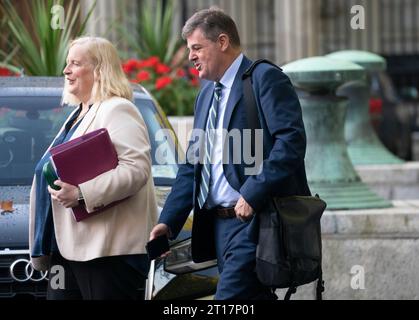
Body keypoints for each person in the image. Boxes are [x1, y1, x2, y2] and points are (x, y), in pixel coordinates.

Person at [149, 8, 310, 300]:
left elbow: (291, 141)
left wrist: (253, 191)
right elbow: (193, 165)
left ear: (222, 42)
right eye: (189, 49)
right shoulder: (206, 94)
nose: (190, 57)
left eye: (197, 47)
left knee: (229, 299)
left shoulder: (265, 78)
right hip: (218, 227)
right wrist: (168, 220)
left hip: (254, 221)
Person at [29, 36, 158, 300]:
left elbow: (136, 170)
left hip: (105, 254)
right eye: (67, 63)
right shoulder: (78, 115)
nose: (66, 70)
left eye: (75, 64)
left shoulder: (118, 109)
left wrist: (81, 193)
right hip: (65, 250)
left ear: (100, 70)